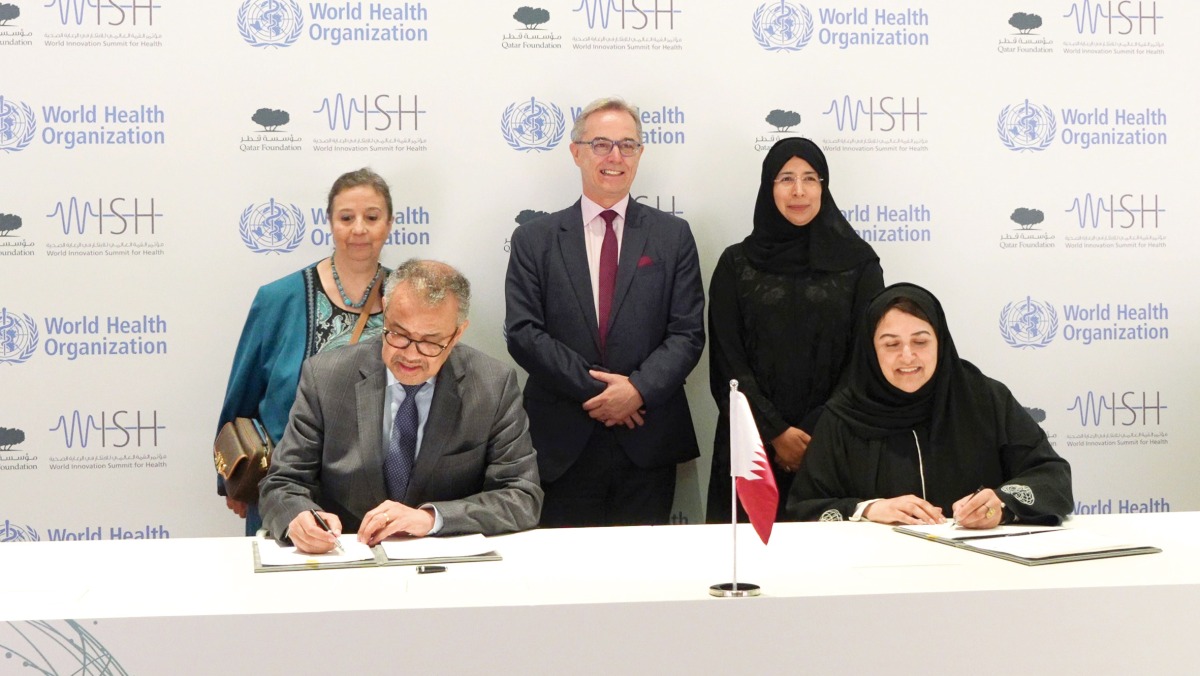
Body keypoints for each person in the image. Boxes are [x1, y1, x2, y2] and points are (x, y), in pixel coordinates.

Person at [505, 96, 705, 527]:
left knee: (642, 584)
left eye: (627, 145)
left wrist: (636, 391)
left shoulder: (673, 236)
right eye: (601, 144)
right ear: (576, 152)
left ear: (640, 154)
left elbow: (687, 332)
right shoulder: (534, 239)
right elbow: (523, 331)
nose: (615, 156)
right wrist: (601, 395)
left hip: (646, 438)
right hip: (560, 442)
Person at [259, 259, 543, 553]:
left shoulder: (492, 385)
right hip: (347, 557)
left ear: (458, 333)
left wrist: (431, 518)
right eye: (399, 334)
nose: (410, 355)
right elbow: (282, 483)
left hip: (445, 565)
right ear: (385, 311)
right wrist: (299, 516)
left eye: (431, 342)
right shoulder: (327, 377)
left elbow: (521, 497)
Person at [786, 283, 1073, 527]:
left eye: (920, 341)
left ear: (940, 342)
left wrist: (1002, 504)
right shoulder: (842, 417)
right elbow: (802, 510)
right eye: (891, 344)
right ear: (871, 351)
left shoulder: (984, 399)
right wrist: (867, 510)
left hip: (981, 571)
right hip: (876, 576)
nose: (908, 356)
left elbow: (1053, 477)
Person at [706, 137, 883, 523]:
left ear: (824, 186)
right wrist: (777, 433)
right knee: (744, 567)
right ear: (769, 188)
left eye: (810, 178)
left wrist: (815, 432)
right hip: (750, 447)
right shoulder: (736, 265)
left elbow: (865, 362)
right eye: (786, 178)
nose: (798, 191)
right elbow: (727, 364)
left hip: (836, 445)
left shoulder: (860, 265)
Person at [216, 168, 393, 535]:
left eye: (371, 217)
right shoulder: (279, 300)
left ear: (389, 224)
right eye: (346, 217)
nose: (359, 228)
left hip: (380, 502)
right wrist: (232, 478)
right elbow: (242, 396)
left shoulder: (408, 299)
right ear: (329, 223)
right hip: (286, 492)